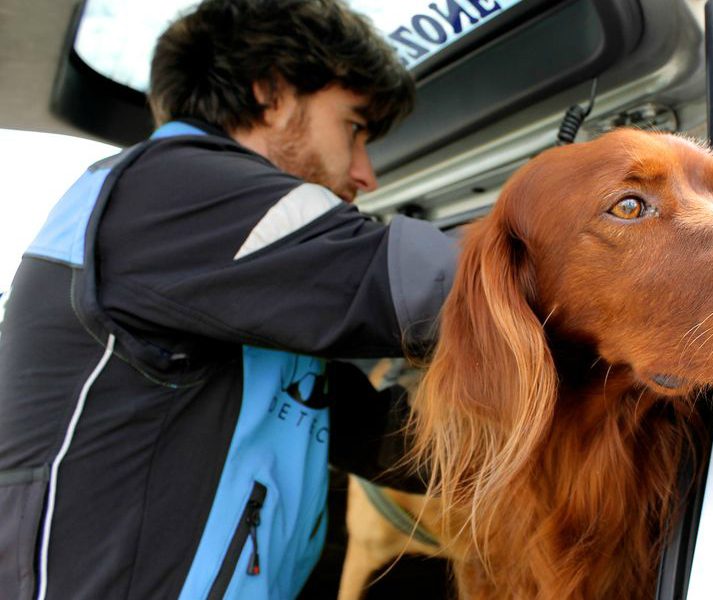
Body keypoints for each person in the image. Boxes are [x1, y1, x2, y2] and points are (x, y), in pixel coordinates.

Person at [0, 1, 457, 598]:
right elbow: (434, 289)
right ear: (271, 93)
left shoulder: (229, 274)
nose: (366, 174)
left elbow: (386, 439)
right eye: (354, 127)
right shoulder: (173, 190)